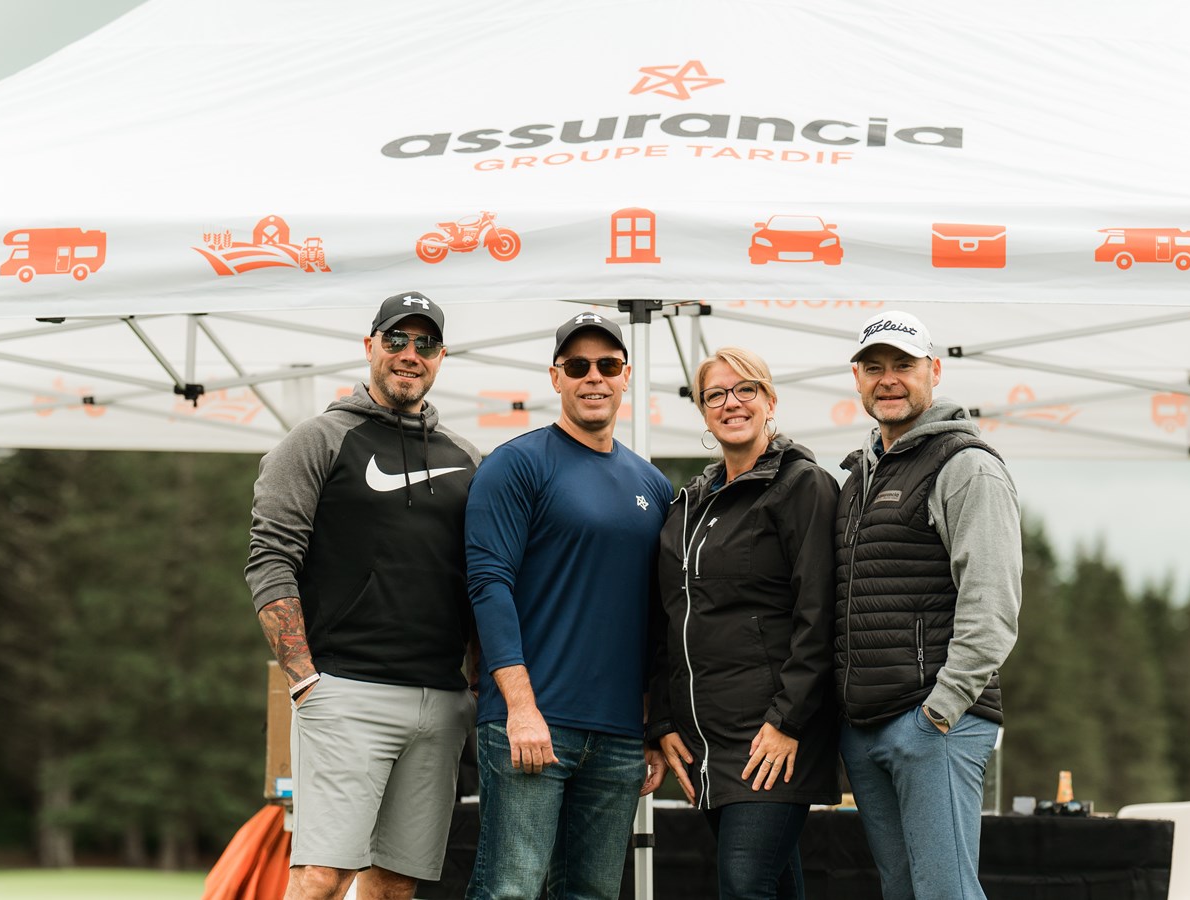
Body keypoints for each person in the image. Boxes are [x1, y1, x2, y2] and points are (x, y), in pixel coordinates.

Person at [246, 291, 480, 900]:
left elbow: (485, 584)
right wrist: (304, 680)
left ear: (441, 356)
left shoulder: (467, 459)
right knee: (322, 876)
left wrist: (478, 689)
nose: (410, 353)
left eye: (425, 343)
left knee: (393, 885)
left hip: (440, 703)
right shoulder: (318, 440)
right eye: (397, 340)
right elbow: (271, 559)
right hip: (344, 692)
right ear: (370, 346)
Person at [464, 311, 672, 900]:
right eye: (577, 366)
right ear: (555, 377)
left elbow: (658, 618)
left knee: (593, 895)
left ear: (626, 376)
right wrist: (520, 707)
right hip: (532, 723)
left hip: (618, 737)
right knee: (511, 890)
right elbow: (488, 585)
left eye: (607, 366)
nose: (593, 378)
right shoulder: (517, 464)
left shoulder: (652, 486)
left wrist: (653, 728)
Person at [834, 311, 1022, 900]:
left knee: (945, 892)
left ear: (933, 372)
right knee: (905, 892)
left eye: (903, 365)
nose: (888, 379)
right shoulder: (858, 475)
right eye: (873, 367)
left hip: (934, 723)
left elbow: (992, 604)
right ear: (858, 380)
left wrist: (938, 713)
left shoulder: (966, 465)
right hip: (866, 727)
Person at [648, 347, 839, 900]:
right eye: (716, 395)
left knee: (745, 882)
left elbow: (819, 612)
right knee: (770, 884)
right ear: (703, 411)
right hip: (704, 740)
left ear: (769, 400)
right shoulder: (688, 505)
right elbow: (668, 618)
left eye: (745, 389)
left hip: (770, 734)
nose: (731, 403)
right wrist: (662, 720)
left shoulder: (802, 485)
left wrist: (788, 720)